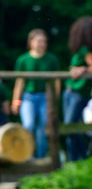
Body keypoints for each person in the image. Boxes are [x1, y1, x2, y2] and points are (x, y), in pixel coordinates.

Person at [12, 29, 60, 158]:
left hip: (46, 97)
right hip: (28, 97)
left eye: (44, 41)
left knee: (43, 129)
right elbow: (19, 82)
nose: (42, 44)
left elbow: (56, 82)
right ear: (31, 42)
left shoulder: (52, 59)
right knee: (28, 125)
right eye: (39, 41)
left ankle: (41, 159)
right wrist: (16, 101)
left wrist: (55, 101)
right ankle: (27, 157)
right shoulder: (23, 59)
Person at [63, 17, 92, 161]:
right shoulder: (79, 51)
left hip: (78, 93)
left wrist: (84, 69)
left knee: (71, 127)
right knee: (70, 128)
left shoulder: (85, 50)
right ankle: (75, 159)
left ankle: (80, 159)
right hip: (70, 92)